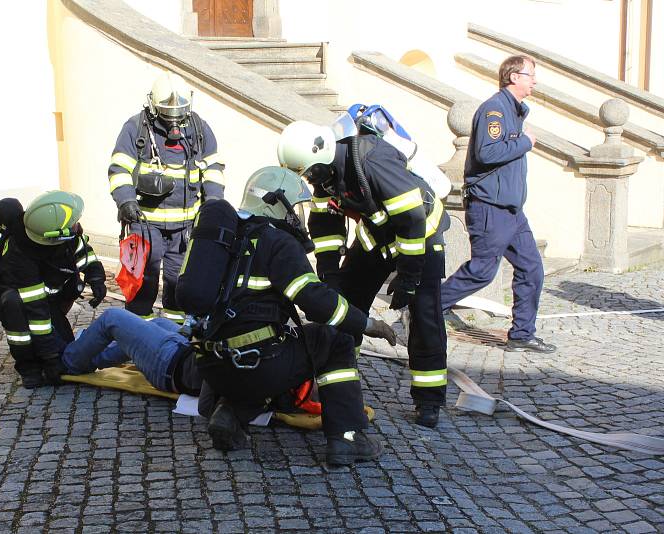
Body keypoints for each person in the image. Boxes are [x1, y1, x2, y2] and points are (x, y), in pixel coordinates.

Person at [176, 166, 398, 466]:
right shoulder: (277, 242)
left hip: (212, 367)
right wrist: (367, 324)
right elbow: (317, 302)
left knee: (276, 346)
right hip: (254, 364)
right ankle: (348, 438)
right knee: (334, 341)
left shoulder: (224, 236)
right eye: (296, 206)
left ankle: (230, 415)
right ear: (277, 202)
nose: (299, 215)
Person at [277, 112, 450, 429]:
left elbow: (412, 219)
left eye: (311, 175)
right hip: (377, 239)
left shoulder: (371, 160)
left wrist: (408, 279)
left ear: (322, 155)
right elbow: (325, 226)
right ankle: (334, 376)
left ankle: (429, 400)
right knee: (346, 305)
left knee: (424, 316)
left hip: (421, 237)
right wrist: (331, 278)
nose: (311, 181)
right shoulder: (325, 173)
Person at [441, 55, 555, 354]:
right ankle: (425, 308)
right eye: (530, 75)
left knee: (532, 269)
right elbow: (488, 153)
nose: (534, 80)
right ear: (513, 77)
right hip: (490, 207)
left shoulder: (514, 112)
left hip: (512, 211)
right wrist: (526, 142)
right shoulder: (495, 109)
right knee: (482, 271)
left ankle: (521, 334)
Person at [108, 71, 225, 323]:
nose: (174, 121)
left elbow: (213, 169)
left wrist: (213, 204)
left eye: (179, 112)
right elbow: (119, 169)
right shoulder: (135, 128)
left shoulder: (198, 128)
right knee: (143, 281)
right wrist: (126, 201)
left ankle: (175, 339)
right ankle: (140, 332)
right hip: (144, 223)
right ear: (153, 105)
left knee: (179, 282)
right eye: (167, 113)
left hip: (184, 227)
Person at [0, 191, 107, 388]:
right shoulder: (20, 256)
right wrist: (50, 359)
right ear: (53, 236)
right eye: (73, 223)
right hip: (11, 295)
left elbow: (83, 252)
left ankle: (46, 355)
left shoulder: (63, 234)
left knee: (70, 357)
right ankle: (28, 367)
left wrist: (96, 277)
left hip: (47, 300)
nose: (76, 225)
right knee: (16, 309)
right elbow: (37, 313)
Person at [61, 307, 201, 396]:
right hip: (191, 354)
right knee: (159, 323)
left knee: (112, 317)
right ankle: (91, 359)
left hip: (176, 366)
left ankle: (68, 363)